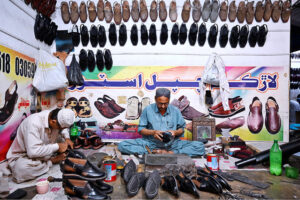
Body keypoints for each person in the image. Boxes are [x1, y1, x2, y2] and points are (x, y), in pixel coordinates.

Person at [118, 88, 205, 157]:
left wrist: (175, 132)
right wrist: (153, 132)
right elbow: (141, 129)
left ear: (169, 100)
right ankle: (153, 152)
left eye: (166, 103)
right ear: (155, 99)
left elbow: (181, 129)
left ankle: (171, 153)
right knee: (122, 145)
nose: (163, 106)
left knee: (200, 146)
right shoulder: (148, 110)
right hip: (151, 143)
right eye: (160, 103)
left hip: (172, 144)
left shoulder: (175, 110)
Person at [6, 108, 75, 183]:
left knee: (62, 139)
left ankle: (48, 159)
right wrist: (57, 146)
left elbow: (63, 129)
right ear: (53, 122)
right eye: (61, 128)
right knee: (21, 169)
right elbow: (32, 152)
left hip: (43, 151)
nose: (62, 129)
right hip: (23, 156)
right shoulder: (33, 123)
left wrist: (67, 138)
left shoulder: (54, 115)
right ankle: (51, 161)